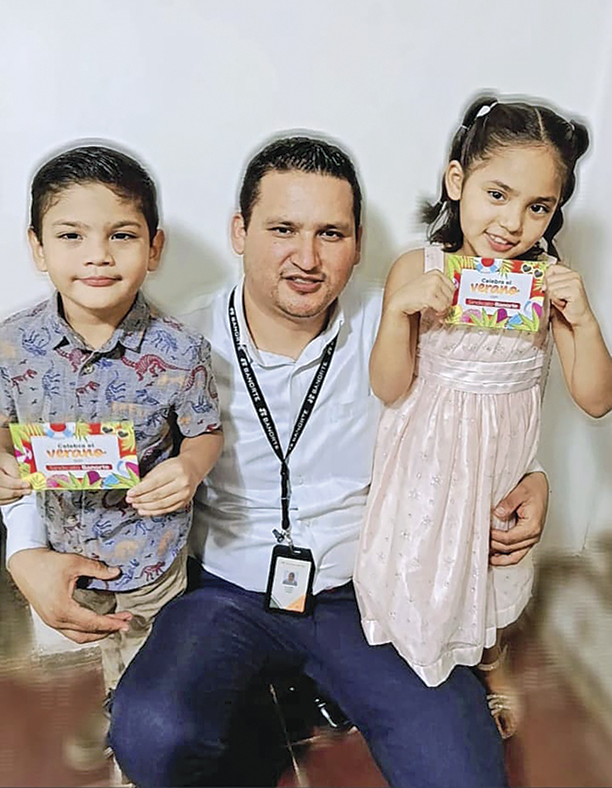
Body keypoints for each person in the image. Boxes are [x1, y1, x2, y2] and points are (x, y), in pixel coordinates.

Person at [4, 136, 549, 787]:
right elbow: (58, 441)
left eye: (331, 234)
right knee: (153, 736)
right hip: (223, 591)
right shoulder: (173, 345)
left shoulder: (409, 322)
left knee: (462, 774)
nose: (307, 258)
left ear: (358, 242)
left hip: (370, 589)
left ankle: (304, 689)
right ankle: (266, 695)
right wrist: (24, 551)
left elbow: (487, 401)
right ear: (240, 232)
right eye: (283, 229)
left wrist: (532, 476)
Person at [354, 95, 612, 739]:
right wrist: (399, 312)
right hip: (425, 463)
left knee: (493, 567)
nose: (513, 222)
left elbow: (596, 399)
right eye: (497, 194)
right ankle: (414, 660)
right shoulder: (418, 268)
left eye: (539, 207)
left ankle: (492, 661)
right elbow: (389, 386)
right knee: (421, 562)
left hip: (498, 466)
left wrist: (583, 318)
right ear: (457, 181)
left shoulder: (547, 284)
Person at [0, 145, 223, 743]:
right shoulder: (12, 345)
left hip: (152, 552)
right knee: (101, 641)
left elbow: (205, 431)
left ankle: (140, 733)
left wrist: (190, 466)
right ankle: (118, 703)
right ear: (37, 248)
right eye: (71, 235)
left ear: (154, 248)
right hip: (65, 550)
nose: (97, 255)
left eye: (121, 235)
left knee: (154, 658)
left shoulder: (181, 351)